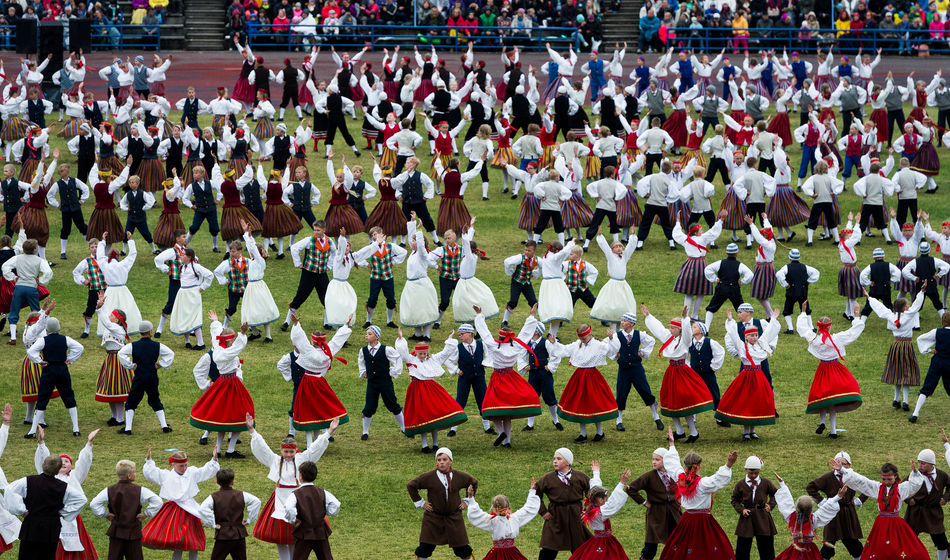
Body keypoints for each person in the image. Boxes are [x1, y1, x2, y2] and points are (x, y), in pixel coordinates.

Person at [642, 304, 714, 442]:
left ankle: (693, 432)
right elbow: (659, 329)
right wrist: (648, 316)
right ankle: (679, 430)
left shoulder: (685, 340)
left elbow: (687, 333)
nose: (670, 330)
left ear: (679, 329)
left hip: (682, 372)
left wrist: (685, 318)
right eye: (670, 327)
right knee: (671, 401)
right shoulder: (669, 338)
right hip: (672, 372)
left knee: (684, 402)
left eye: (673, 328)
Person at [837, 458, 929, 560]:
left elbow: (913, 486)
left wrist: (915, 473)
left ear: (895, 476)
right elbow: (862, 481)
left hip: (895, 524)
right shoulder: (878, 488)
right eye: (884, 479)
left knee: (899, 549)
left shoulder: (901, 489)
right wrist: (842, 470)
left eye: (889, 479)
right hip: (881, 524)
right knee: (880, 550)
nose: (886, 482)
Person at [189, 313, 255, 457]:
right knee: (240, 415)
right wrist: (243, 333)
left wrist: (215, 322)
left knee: (223, 417)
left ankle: (218, 449)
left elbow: (216, 335)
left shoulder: (217, 348)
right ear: (229, 341)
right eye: (232, 339)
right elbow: (238, 347)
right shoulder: (226, 353)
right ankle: (230, 450)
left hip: (222, 384)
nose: (234, 341)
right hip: (231, 385)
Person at [660, 443, 738, 560]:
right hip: (703, 521)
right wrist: (729, 464)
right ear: (699, 466)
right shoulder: (703, 484)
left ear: (685, 466)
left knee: (683, 545)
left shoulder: (681, 479)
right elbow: (718, 479)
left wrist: (672, 445)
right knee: (709, 547)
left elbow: (673, 465)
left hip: (687, 520)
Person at [32, 426, 100, 560]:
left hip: (70, 515)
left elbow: (84, 463)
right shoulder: (48, 476)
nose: (63, 463)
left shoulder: (75, 476)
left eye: (67, 461)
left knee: (72, 545)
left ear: (71, 466)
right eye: (60, 461)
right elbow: (43, 462)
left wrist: (89, 443)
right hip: (50, 516)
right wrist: (41, 444)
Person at [394, 331, 468, 452]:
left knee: (434, 415)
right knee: (423, 417)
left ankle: (435, 443)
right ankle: (424, 445)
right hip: (417, 391)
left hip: (431, 390)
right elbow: (403, 353)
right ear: (416, 352)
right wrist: (401, 340)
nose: (423, 355)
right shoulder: (411, 359)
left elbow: (445, 353)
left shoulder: (433, 359)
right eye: (420, 353)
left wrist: (450, 339)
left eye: (424, 353)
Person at [141, 446, 220, 560]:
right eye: (181, 466)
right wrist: (149, 461)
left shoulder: (191, 472)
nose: (184, 468)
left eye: (185, 465)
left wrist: (214, 459)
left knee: (192, 539)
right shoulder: (166, 475)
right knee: (177, 539)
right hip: (174, 511)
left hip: (191, 510)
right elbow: (152, 473)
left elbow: (204, 471)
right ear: (172, 464)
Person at [797, 308, 866, 438]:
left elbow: (803, 329)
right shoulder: (837, 338)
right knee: (832, 400)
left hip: (823, 370)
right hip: (835, 370)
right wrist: (856, 316)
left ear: (819, 327)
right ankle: (833, 431)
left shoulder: (815, 339)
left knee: (823, 397)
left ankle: (822, 422)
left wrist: (803, 313)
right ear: (830, 327)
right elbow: (853, 332)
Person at [4, 454, 87, 560]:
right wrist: (64, 512)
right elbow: (81, 499)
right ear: (58, 470)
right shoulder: (64, 487)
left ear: (43, 465)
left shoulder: (28, 481)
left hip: (31, 526)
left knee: (26, 556)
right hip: (51, 529)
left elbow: (9, 489)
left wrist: (21, 510)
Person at [548, 323, 619, 443]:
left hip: (593, 377)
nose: (582, 340)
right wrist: (555, 343)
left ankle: (599, 432)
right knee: (580, 404)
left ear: (590, 334)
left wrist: (612, 339)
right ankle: (583, 434)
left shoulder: (598, 345)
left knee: (595, 404)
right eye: (580, 338)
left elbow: (612, 351)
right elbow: (564, 350)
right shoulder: (577, 344)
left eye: (584, 338)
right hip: (579, 377)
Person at [288, 313, 352, 444]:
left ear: (313, 341)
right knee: (318, 411)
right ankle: (316, 443)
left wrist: (296, 324)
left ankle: (310, 444)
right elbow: (337, 340)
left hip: (307, 382)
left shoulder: (309, 351)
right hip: (320, 382)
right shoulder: (328, 351)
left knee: (308, 413)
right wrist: (345, 325)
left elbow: (300, 339)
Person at [718, 309, 781, 440]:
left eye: (755, 335)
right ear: (746, 337)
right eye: (751, 336)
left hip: (758, 377)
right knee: (747, 402)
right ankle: (746, 431)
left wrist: (773, 319)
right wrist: (730, 321)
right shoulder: (742, 346)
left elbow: (769, 333)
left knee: (755, 402)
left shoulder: (761, 344)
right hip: (746, 377)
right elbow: (734, 335)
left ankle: (753, 430)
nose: (754, 338)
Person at [406, 447, 477, 560]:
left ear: (450, 461)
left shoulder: (459, 476)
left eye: (444, 459)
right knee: (425, 548)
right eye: (439, 460)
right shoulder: (429, 477)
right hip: (433, 518)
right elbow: (411, 485)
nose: (441, 462)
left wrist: (467, 501)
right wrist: (421, 503)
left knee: (462, 548)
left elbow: (473, 482)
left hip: (454, 517)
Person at [88, 459, 163, 560]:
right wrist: (146, 513)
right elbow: (158, 501)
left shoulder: (109, 490)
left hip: (116, 531)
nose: (136, 474)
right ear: (129, 475)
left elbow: (94, 504)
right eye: (134, 472)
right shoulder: (140, 490)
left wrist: (105, 514)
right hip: (134, 532)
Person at [867, 286, 926, 412]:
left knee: (897, 372)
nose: (909, 306)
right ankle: (905, 401)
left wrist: (869, 298)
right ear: (904, 308)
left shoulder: (891, 315)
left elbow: (880, 308)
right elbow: (917, 305)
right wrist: (921, 292)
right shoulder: (909, 315)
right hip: (907, 346)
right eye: (907, 305)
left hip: (896, 346)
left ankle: (896, 399)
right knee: (907, 373)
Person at [25, 315, 83, 438]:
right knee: (69, 397)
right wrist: (70, 359)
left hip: (49, 370)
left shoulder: (43, 340)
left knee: (42, 399)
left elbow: (30, 351)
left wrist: (40, 361)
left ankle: (32, 431)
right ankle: (76, 429)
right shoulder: (65, 339)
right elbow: (79, 348)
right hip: (62, 369)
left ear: (47, 329)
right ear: (59, 328)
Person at [805, 451, 869, 560]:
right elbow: (810, 487)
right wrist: (822, 502)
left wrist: (859, 500)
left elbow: (867, 486)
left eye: (844, 464)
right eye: (838, 463)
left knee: (853, 542)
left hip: (848, 513)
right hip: (832, 514)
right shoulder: (828, 477)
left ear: (849, 465)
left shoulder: (852, 477)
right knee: (829, 544)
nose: (840, 466)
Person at [117, 319, 174, 435]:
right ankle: (164, 426)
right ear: (150, 332)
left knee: (131, 401)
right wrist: (160, 364)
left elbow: (121, 353)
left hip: (139, 378)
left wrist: (131, 365)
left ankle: (128, 429)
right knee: (155, 399)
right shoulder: (157, 345)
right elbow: (170, 353)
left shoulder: (133, 346)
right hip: (152, 377)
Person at [625, 440, 680, 560]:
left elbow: (682, 486)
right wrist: (644, 502)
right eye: (653, 459)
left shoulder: (674, 473)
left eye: (657, 459)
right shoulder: (649, 476)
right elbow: (631, 489)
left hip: (673, 512)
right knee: (651, 545)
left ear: (666, 461)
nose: (654, 462)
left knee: (676, 542)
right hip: (656, 513)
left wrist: (679, 499)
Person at [535, 448, 595, 558]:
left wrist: (587, 508)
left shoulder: (580, 477)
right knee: (549, 547)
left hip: (575, 515)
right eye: (554, 459)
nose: (555, 461)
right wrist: (543, 511)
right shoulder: (547, 478)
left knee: (580, 548)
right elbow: (535, 494)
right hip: (556, 516)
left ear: (568, 462)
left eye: (559, 459)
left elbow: (592, 492)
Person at [771, 471, 845, 560]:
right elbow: (827, 508)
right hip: (810, 551)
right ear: (811, 509)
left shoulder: (791, 517)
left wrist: (782, 483)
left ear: (796, 507)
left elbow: (786, 501)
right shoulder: (814, 520)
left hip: (795, 551)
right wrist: (838, 497)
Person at [463, 477, 539, 560]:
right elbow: (528, 509)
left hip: (497, 554)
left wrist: (471, 498)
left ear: (494, 508)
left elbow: (476, 515)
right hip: (512, 554)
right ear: (508, 506)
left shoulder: (492, 520)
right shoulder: (515, 518)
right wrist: (532, 491)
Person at [569, 464, 632, 560]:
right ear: (600, 500)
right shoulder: (599, 513)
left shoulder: (592, 505)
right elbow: (612, 503)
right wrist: (621, 483)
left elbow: (595, 488)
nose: (608, 500)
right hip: (603, 542)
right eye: (606, 498)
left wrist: (596, 472)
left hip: (601, 540)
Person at [198, 467, 262, 560]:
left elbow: (202, 509)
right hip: (239, 535)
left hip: (223, 535)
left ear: (217, 482)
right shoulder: (241, 494)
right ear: (232, 482)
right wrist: (249, 520)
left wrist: (212, 524)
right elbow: (256, 501)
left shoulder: (213, 497)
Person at [282, 460, 340, 560]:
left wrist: (293, 520)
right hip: (320, 532)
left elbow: (289, 508)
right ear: (315, 476)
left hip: (304, 533)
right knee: (326, 558)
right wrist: (326, 511)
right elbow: (336, 504)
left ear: (300, 476)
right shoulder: (323, 492)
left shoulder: (295, 494)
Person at [352, 226, 408, 329]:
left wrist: (393, 261)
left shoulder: (390, 246)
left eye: (375, 234)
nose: (373, 237)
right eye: (372, 235)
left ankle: (389, 321)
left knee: (391, 299)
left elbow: (403, 252)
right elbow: (359, 257)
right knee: (372, 299)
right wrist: (366, 264)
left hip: (388, 277)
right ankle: (368, 321)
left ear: (381, 234)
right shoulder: (371, 248)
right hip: (375, 278)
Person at [672, 214, 725, 321]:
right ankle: (694, 315)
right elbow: (713, 232)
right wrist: (721, 220)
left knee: (689, 293)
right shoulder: (703, 238)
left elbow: (677, 234)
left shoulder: (685, 239)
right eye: (700, 230)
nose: (702, 231)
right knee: (701, 292)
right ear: (696, 233)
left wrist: (678, 221)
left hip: (689, 265)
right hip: (701, 266)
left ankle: (686, 317)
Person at [285, 221, 336, 331]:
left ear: (324, 230)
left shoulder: (329, 241)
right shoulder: (309, 240)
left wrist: (329, 265)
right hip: (308, 274)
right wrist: (298, 263)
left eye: (318, 230)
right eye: (314, 230)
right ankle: (286, 322)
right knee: (300, 297)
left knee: (327, 298)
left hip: (322, 274)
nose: (316, 232)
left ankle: (327, 323)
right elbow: (294, 248)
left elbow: (334, 253)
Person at [2, 236, 53, 345]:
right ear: (34, 249)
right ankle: (40, 336)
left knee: (14, 311)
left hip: (19, 287)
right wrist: (41, 281)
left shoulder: (18, 258)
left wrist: (13, 277)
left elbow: (5, 266)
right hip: (32, 288)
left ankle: (13, 337)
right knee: (36, 311)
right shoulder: (40, 260)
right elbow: (48, 272)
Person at [357, 326, 404, 441]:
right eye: (366, 333)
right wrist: (363, 372)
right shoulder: (363, 350)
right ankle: (365, 431)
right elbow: (361, 362)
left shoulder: (386, 349)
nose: (366, 335)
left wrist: (393, 372)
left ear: (376, 337)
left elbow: (397, 359)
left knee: (392, 404)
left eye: (370, 334)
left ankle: (404, 427)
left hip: (385, 383)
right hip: (372, 383)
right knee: (369, 406)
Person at [903, 447, 950, 560]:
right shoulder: (914, 475)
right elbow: (901, 488)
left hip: (933, 512)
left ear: (931, 463)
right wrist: (909, 500)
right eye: (919, 462)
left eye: (923, 463)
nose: (920, 465)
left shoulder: (942, 475)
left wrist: (945, 498)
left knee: (941, 542)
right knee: (908, 540)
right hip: (916, 512)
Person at [730, 456, 778, 560]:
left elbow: (776, 494)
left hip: (763, 518)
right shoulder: (740, 484)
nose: (753, 475)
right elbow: (734, 500)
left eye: (756, 473)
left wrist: (771, 505)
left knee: (767, 549)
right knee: (742, 549)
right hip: (746, 518)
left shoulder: (766, 483)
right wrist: (742, 510)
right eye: (751, 473)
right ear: (745, 469)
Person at [167, 248, 214, 347]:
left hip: (193, 294)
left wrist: (202, 287)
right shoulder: (182, 267)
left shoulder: (196, 267)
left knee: (194, 317)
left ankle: (200, 343)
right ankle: (187, 341)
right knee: (185, 316)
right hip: (183, 294)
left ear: (189, 257)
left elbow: (210, 275)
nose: (181, 256)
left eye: (183, 255)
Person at [703, 243, 754, 331]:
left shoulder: (720, 263)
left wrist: (715, 279)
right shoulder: (740, 265)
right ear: (737, 253)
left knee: (711, 308)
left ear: (726, 253)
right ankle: (746, 328)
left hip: (721, 288)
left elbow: (707, 269)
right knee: (741, 308)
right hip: (734, 289)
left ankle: (706, 329)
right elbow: (750, 275)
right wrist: (742, 281)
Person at [590, 234, 637, 329]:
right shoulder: (610, 256)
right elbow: (605, 247)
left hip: (623, 285)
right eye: (616, 246)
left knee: (623, 306)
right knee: (613, 306)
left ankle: (619, 329)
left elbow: (630, 248)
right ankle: (613, 330)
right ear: (612, 249)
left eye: (620, 246)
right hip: (613, 286)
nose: (619, 248)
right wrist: (600, 236)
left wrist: (633, 236)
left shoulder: (624, 257)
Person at [913, 316, 950, 422]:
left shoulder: (936, 332)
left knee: (927, 387)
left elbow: (920, 339)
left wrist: (929, 350)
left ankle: (915, 413)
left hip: (937, 362)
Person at [152, 229, 187, 338]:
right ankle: (159, 328)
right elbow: (158, 259)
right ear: (177, 239)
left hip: (186, 281)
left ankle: (187, 328)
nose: (185, 238)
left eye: (185, 236)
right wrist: (166, 270)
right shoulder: (172, 251)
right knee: (171, 303)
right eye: (183, 237)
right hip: (175, 281)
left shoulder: (186, 250)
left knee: (185, 304)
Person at [860, 247, 901, 318]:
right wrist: (892, 280)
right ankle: (892, 321)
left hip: (874, 289)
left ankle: (862, 321)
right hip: (885, 289)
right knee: (888, 305)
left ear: (874, 258)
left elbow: (862, 275)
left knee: (869, 305)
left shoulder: (871, 266)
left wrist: (869, 283)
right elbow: (898, 273)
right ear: (883, 256)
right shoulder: (889, 265)